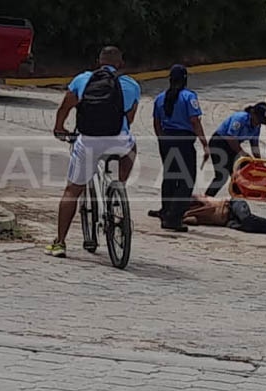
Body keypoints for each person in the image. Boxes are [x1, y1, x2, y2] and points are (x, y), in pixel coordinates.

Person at [47, 46, 140, 258]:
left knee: (72, 190)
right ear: (121, 63)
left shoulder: (82, 80)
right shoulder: (131, 84)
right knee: (131, 147)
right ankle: (119, 187)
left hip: (88, 140)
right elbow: (130, 119)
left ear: (98, 61)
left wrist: (59, 128)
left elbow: (64, 108)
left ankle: (60, 242)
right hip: (118, 138)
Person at [151, 65, 209, 232]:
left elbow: (156, 123)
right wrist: (205, 144)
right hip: (183, 142)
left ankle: (166, 210)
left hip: (166, 140)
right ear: (184, 79)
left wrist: (162, 139)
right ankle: (173, 218)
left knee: (169, 177)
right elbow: (194, 121)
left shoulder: (160, 98)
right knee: (186, 180)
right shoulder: (189, 96)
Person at [204, 102, 266, 197]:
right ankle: (206, 199)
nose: (258, 123)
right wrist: (242, 153)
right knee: (221, 177)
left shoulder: (257, 126)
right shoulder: (240, 119)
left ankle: (236, 201)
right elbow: (230, 137)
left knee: (239, 176)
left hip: (233, 146)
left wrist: (259, 161)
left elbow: (254, 144)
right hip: (219, 143)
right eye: (258, 120)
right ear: (253, 114)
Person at [182, 194, 266, 235]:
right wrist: (182, 216)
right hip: (228, 221)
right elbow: (193, 221)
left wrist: (190, 212)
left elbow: (210, 208)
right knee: (248, 227)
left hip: (232, 204)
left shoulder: (196, 197)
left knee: (247, 219)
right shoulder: (188, 214)